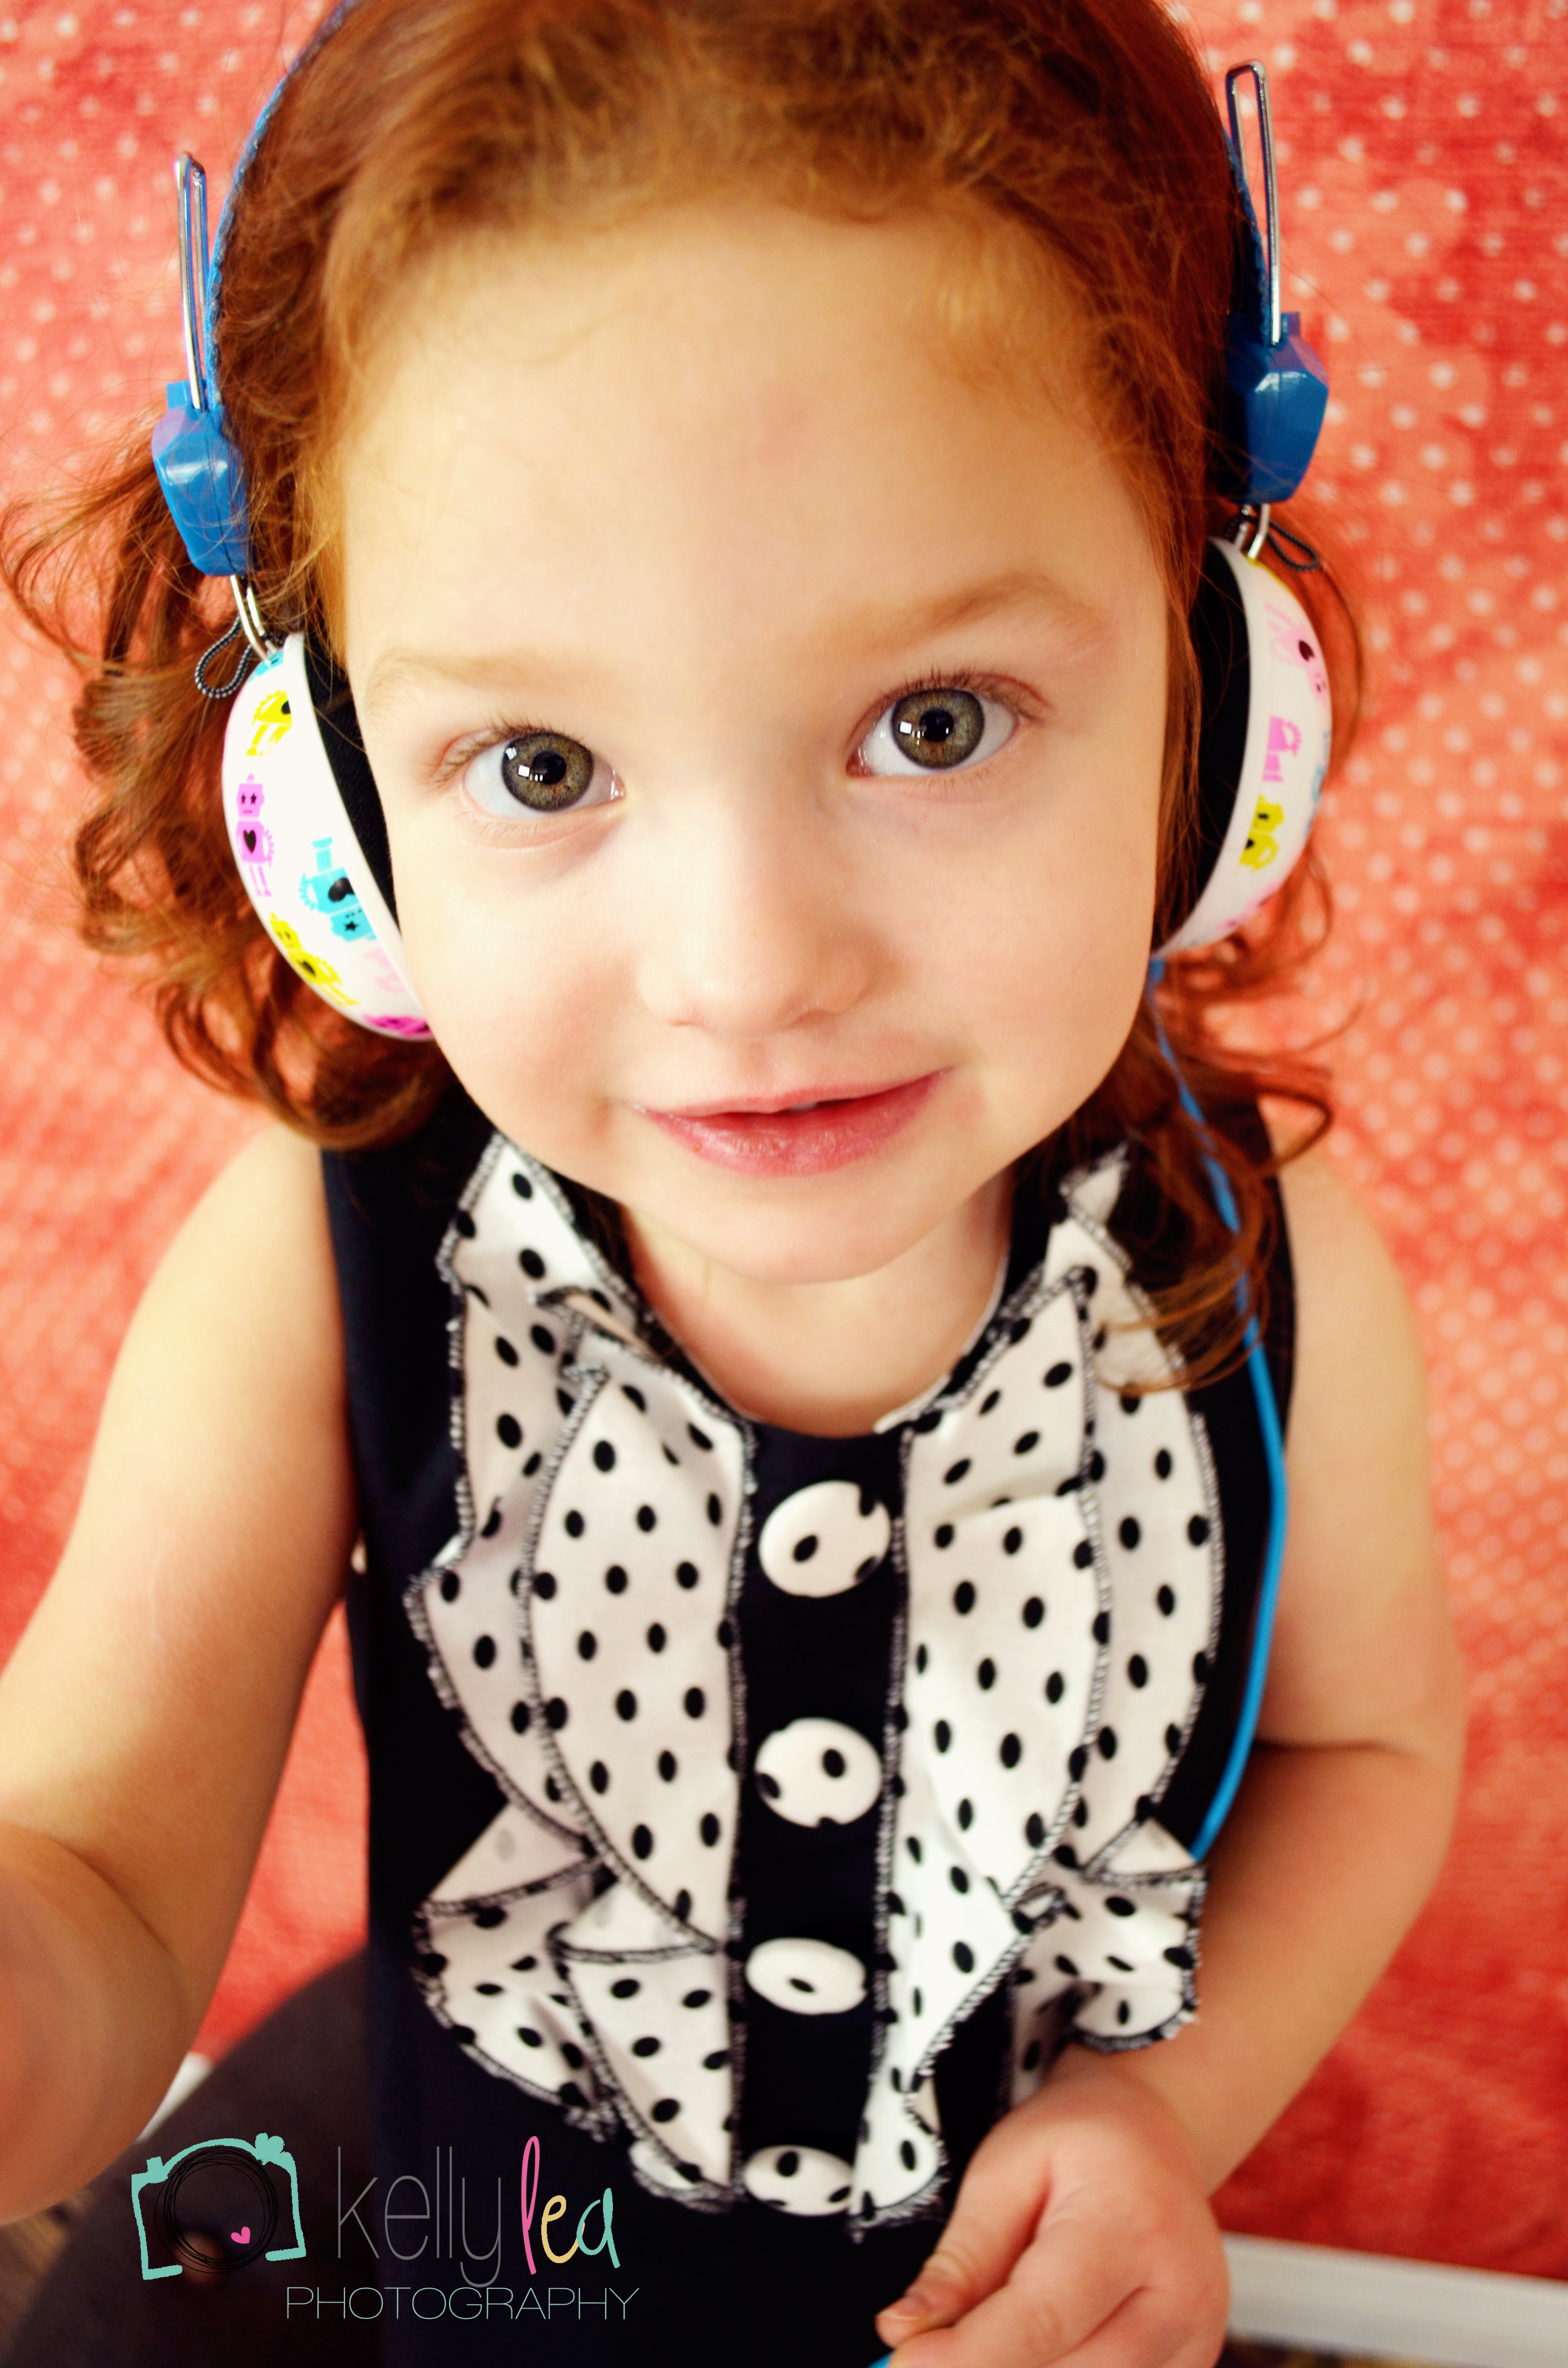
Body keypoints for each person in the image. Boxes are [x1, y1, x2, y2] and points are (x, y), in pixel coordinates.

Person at [0, 1, 1464, 2362]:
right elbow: (88, 1855)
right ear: (334, 815)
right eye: (540, 761)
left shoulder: (1256, 1256)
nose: (750, 966)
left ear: (1217, 699)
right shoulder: (325, 1251)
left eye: (935, 722)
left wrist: (1164, 2112)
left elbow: (1362, 1754)